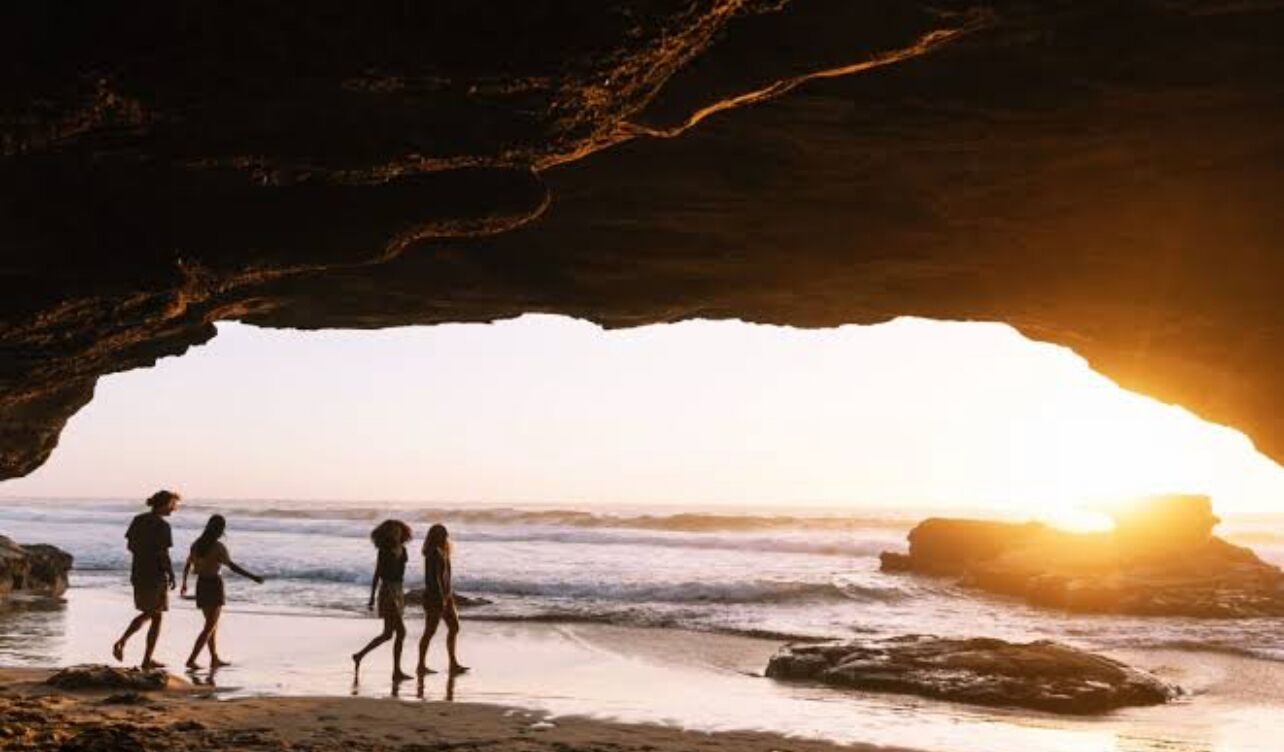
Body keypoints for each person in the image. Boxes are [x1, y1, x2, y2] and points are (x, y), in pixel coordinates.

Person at [180, 514, 265, 670]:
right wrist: (253, 577)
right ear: (221, 530)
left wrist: (184, 583)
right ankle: (191, 660)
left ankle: (214, 658)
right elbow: (232, 566)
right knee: (210, 626)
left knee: (211, 625)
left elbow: (187, 564)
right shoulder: (218, 547)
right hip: (214, 585)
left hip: (201, 585)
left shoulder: (197, 544)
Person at [112, 489, 180, 668]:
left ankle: (147, 659)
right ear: (165, 504)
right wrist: (171, 573)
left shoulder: (138, 520)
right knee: (153, 613)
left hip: (138, 571)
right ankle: (123, 641)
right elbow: (163, 553)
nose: (174, 509)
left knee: (154, 615)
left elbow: (130, 546)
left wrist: (143, 555)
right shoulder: (163, 526)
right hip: (156, 574)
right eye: (173, 505)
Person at [352, 519, 413, 681]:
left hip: (398, 590)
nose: (397, 533)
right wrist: (372, 597)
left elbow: (400, 574)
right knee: (401, 632)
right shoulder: (384, 551)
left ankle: (359, 655)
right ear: (388, 534)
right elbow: (377, 574)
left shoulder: (404, 550)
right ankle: (396, 671)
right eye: (394, 531)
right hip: (387, 590)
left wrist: (403, 595)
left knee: (387, 634)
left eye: (398, 530)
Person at [416, 523, 468, 676]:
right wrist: (441, 598)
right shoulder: (433, 553)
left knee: (454, 627)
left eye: (444, 533)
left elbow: (445, 577)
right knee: (430, 631)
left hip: (445, 596)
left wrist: (449, 595)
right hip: (435, 597)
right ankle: (421, 665)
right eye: (440, 533)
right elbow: (434, 578)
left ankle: (453, 663)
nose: (444, 536)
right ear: (434, 536)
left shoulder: (443, 551)